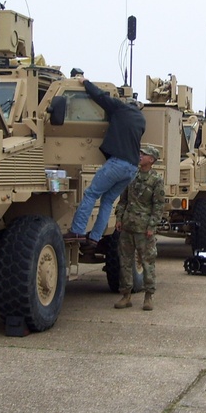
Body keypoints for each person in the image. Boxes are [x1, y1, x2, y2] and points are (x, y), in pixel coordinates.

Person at [64, 76, 146, 249]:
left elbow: (100, 97)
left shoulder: (119, 108)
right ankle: (95, 237)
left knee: (91, 194)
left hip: (117, 163)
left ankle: (78, 230)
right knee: (107, 201)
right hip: (132, 168)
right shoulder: (141, 120)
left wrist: (85, 83)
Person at [113, 145, 165, 311]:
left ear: (152, 160)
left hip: (144, 229)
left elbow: (158, 206)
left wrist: (152, 226)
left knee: (147, 262)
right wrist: (119, 218)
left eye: (144, 154)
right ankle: (126, 295)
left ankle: (148, 296)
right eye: (140, 153)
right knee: (125, 262)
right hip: (128, 225)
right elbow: (123, 200)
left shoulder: (156, 180)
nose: (140, 156)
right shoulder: (132, 175)